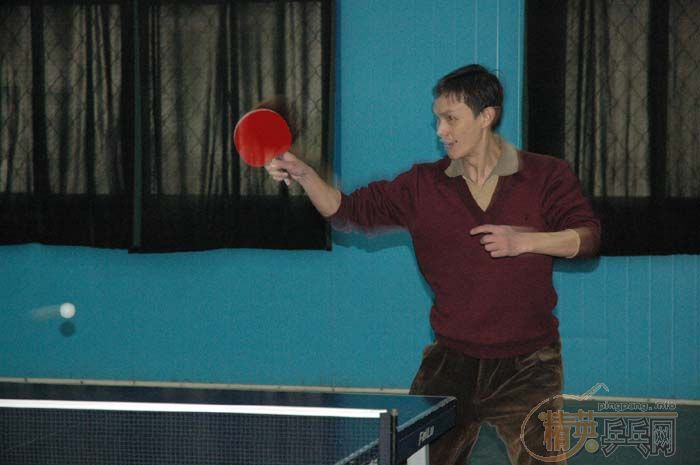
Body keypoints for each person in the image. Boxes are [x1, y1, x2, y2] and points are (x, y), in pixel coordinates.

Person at [266, 64, 600, 465]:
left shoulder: (545, 175)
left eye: (451, 119)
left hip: (530, 365)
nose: (441, 130)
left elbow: (588, 237)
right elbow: (348, 210)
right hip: (451, 364)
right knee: (413, 458)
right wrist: (305, 174)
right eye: (438, 119)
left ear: (486, 116)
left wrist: (525, 241)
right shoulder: (422, 185)